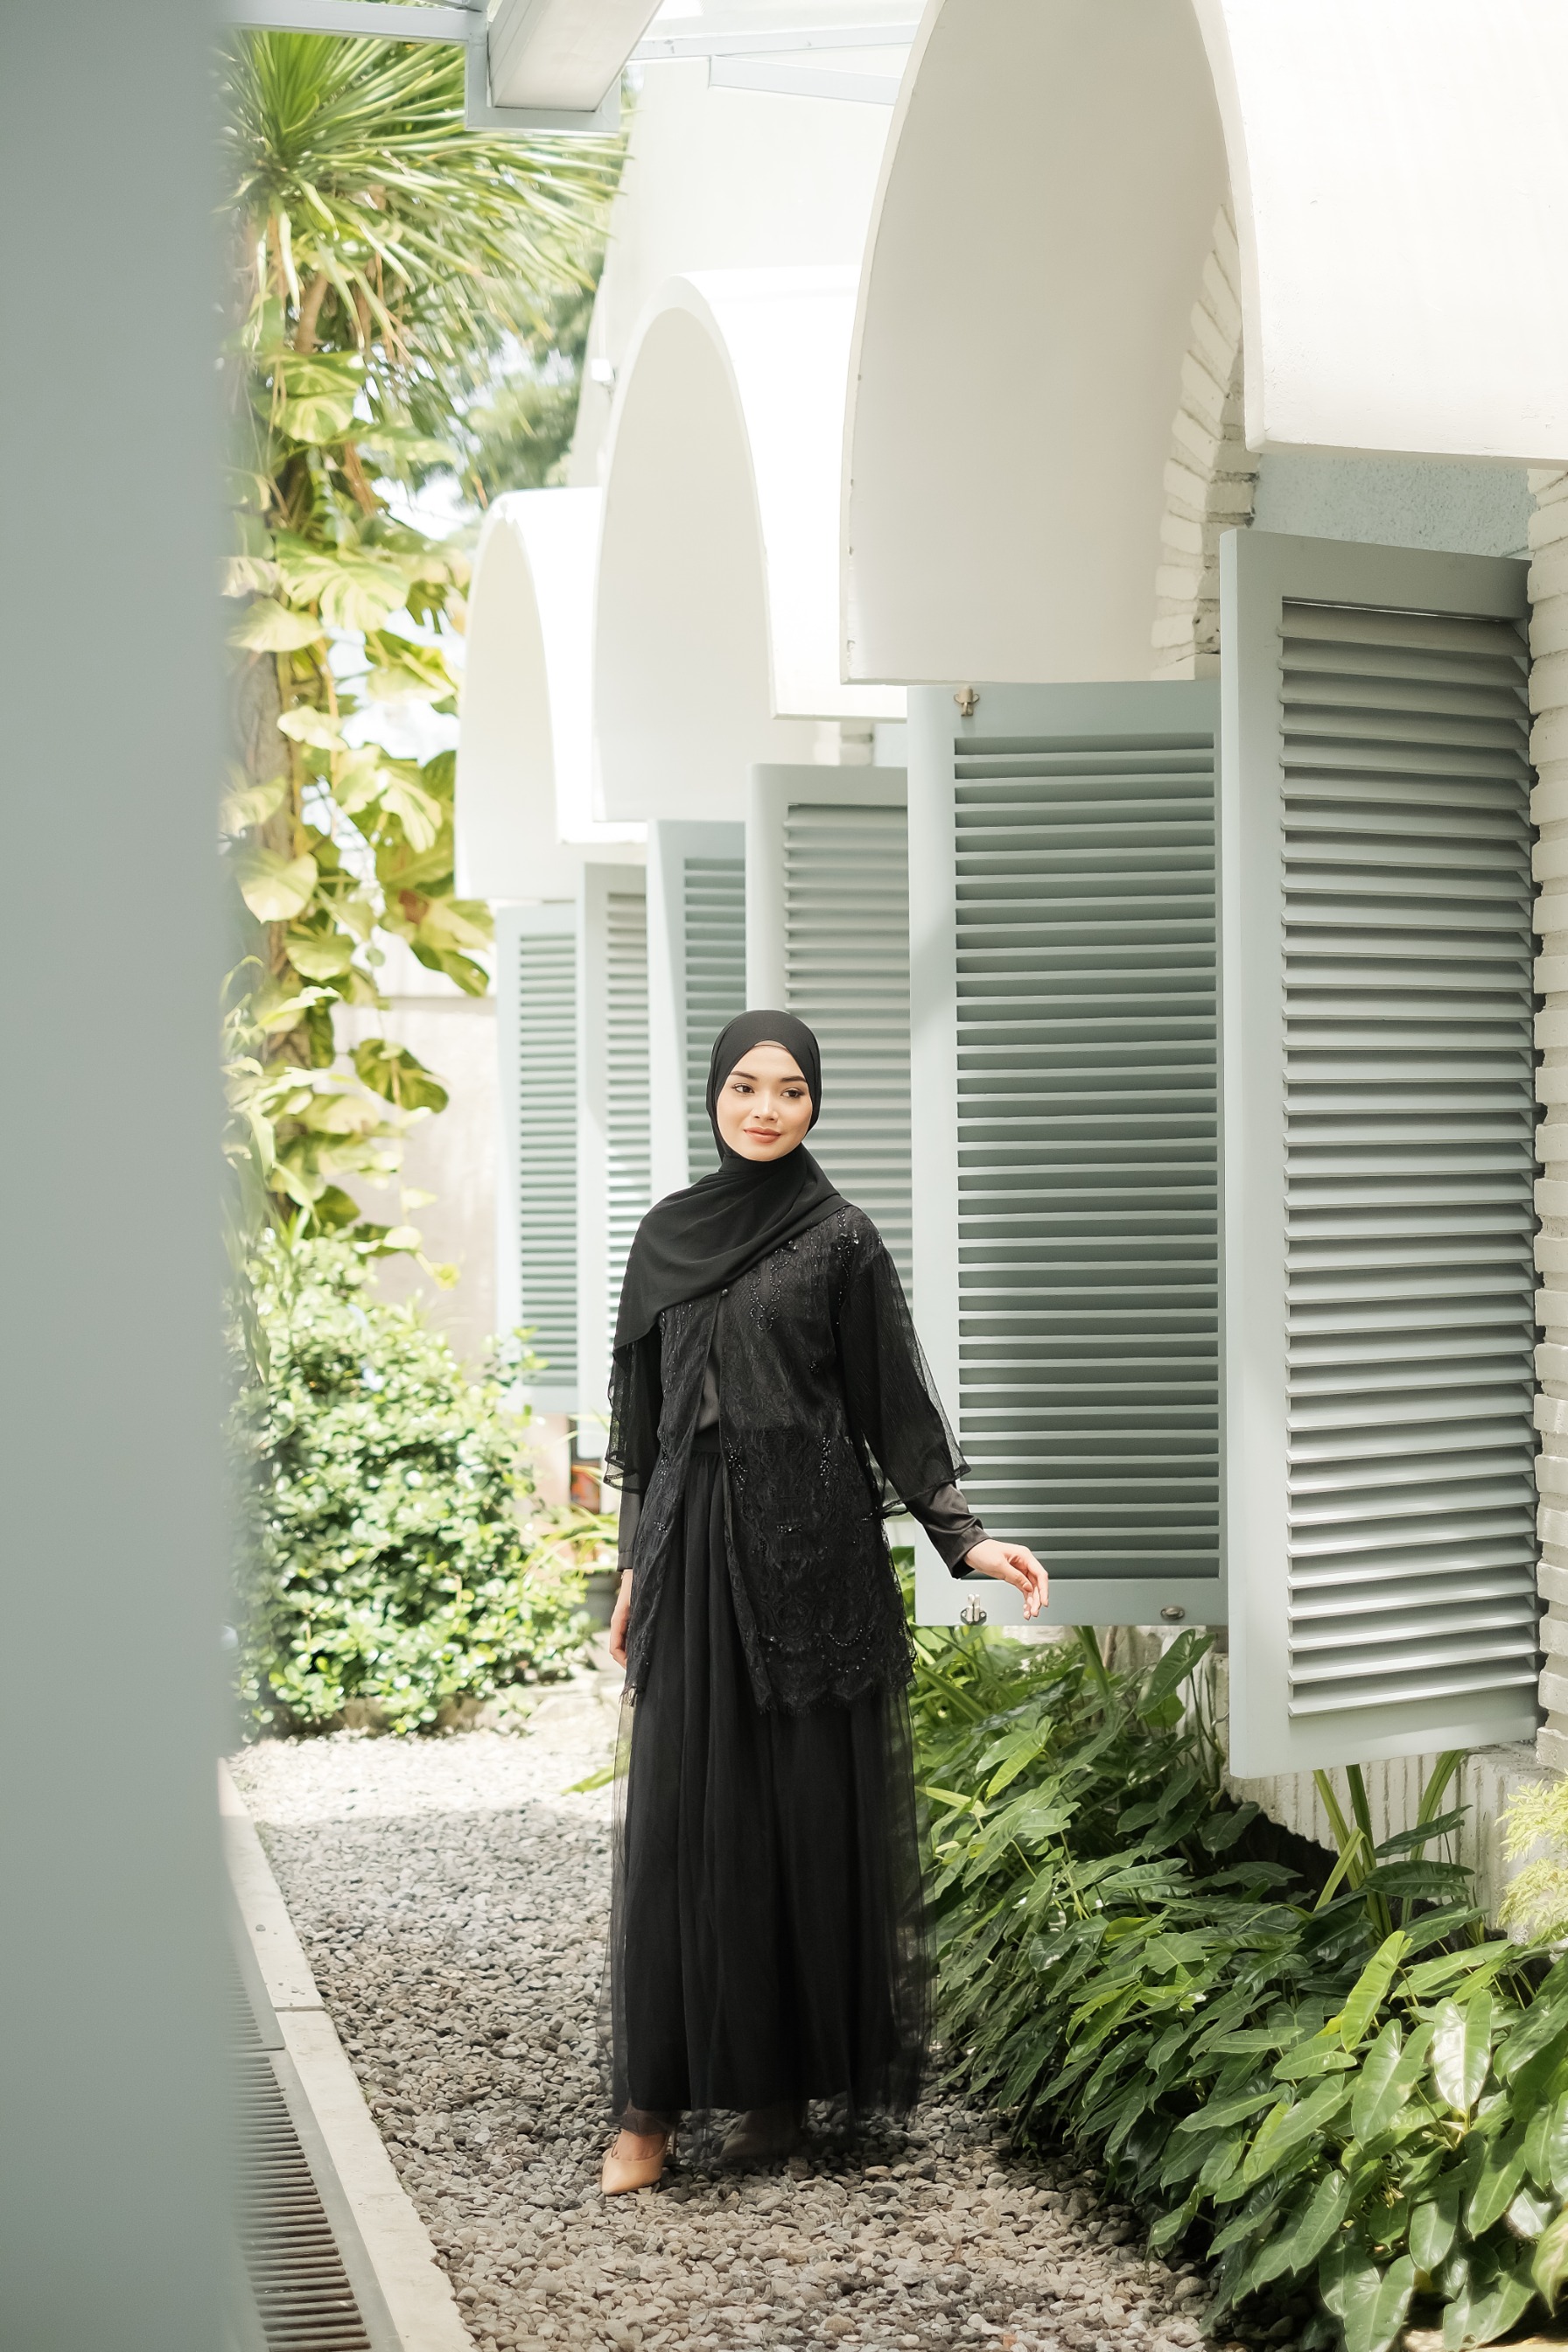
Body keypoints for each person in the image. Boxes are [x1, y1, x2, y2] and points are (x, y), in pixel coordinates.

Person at [598, 1012, 1047, 2194]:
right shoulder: (666, 1236)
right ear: (714, 1095)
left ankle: (775, 2099)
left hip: (813, 1562)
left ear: (815, 1104)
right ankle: (649, 2107)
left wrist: (965, 1537)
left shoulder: (840, 1238)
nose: (766, 1109)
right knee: (683, 1821)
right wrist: (632, 1569)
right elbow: (643, 1427)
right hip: (693, 1554)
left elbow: (894, 1407)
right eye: (745, 1087)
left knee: (796, 1817)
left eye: (790, 1090)